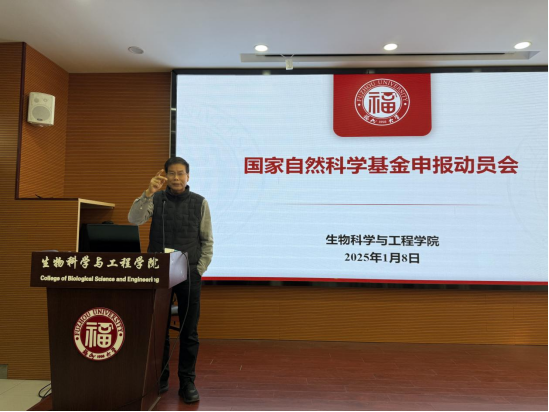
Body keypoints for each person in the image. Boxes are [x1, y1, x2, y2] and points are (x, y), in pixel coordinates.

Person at [128, 156, 213, 403]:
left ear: (188, 176)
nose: (176, 178)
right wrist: (148, 192)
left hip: (189, 273)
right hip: (158, 272)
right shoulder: (156, 199)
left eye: (181, 173)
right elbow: (134, 219)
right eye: (172, 173)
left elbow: (207, 240)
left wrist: (199, 269)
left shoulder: (200, 202)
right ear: (165, 176)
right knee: (158, 329)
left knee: (189, 331)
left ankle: (187, 382)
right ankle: (160, 377)